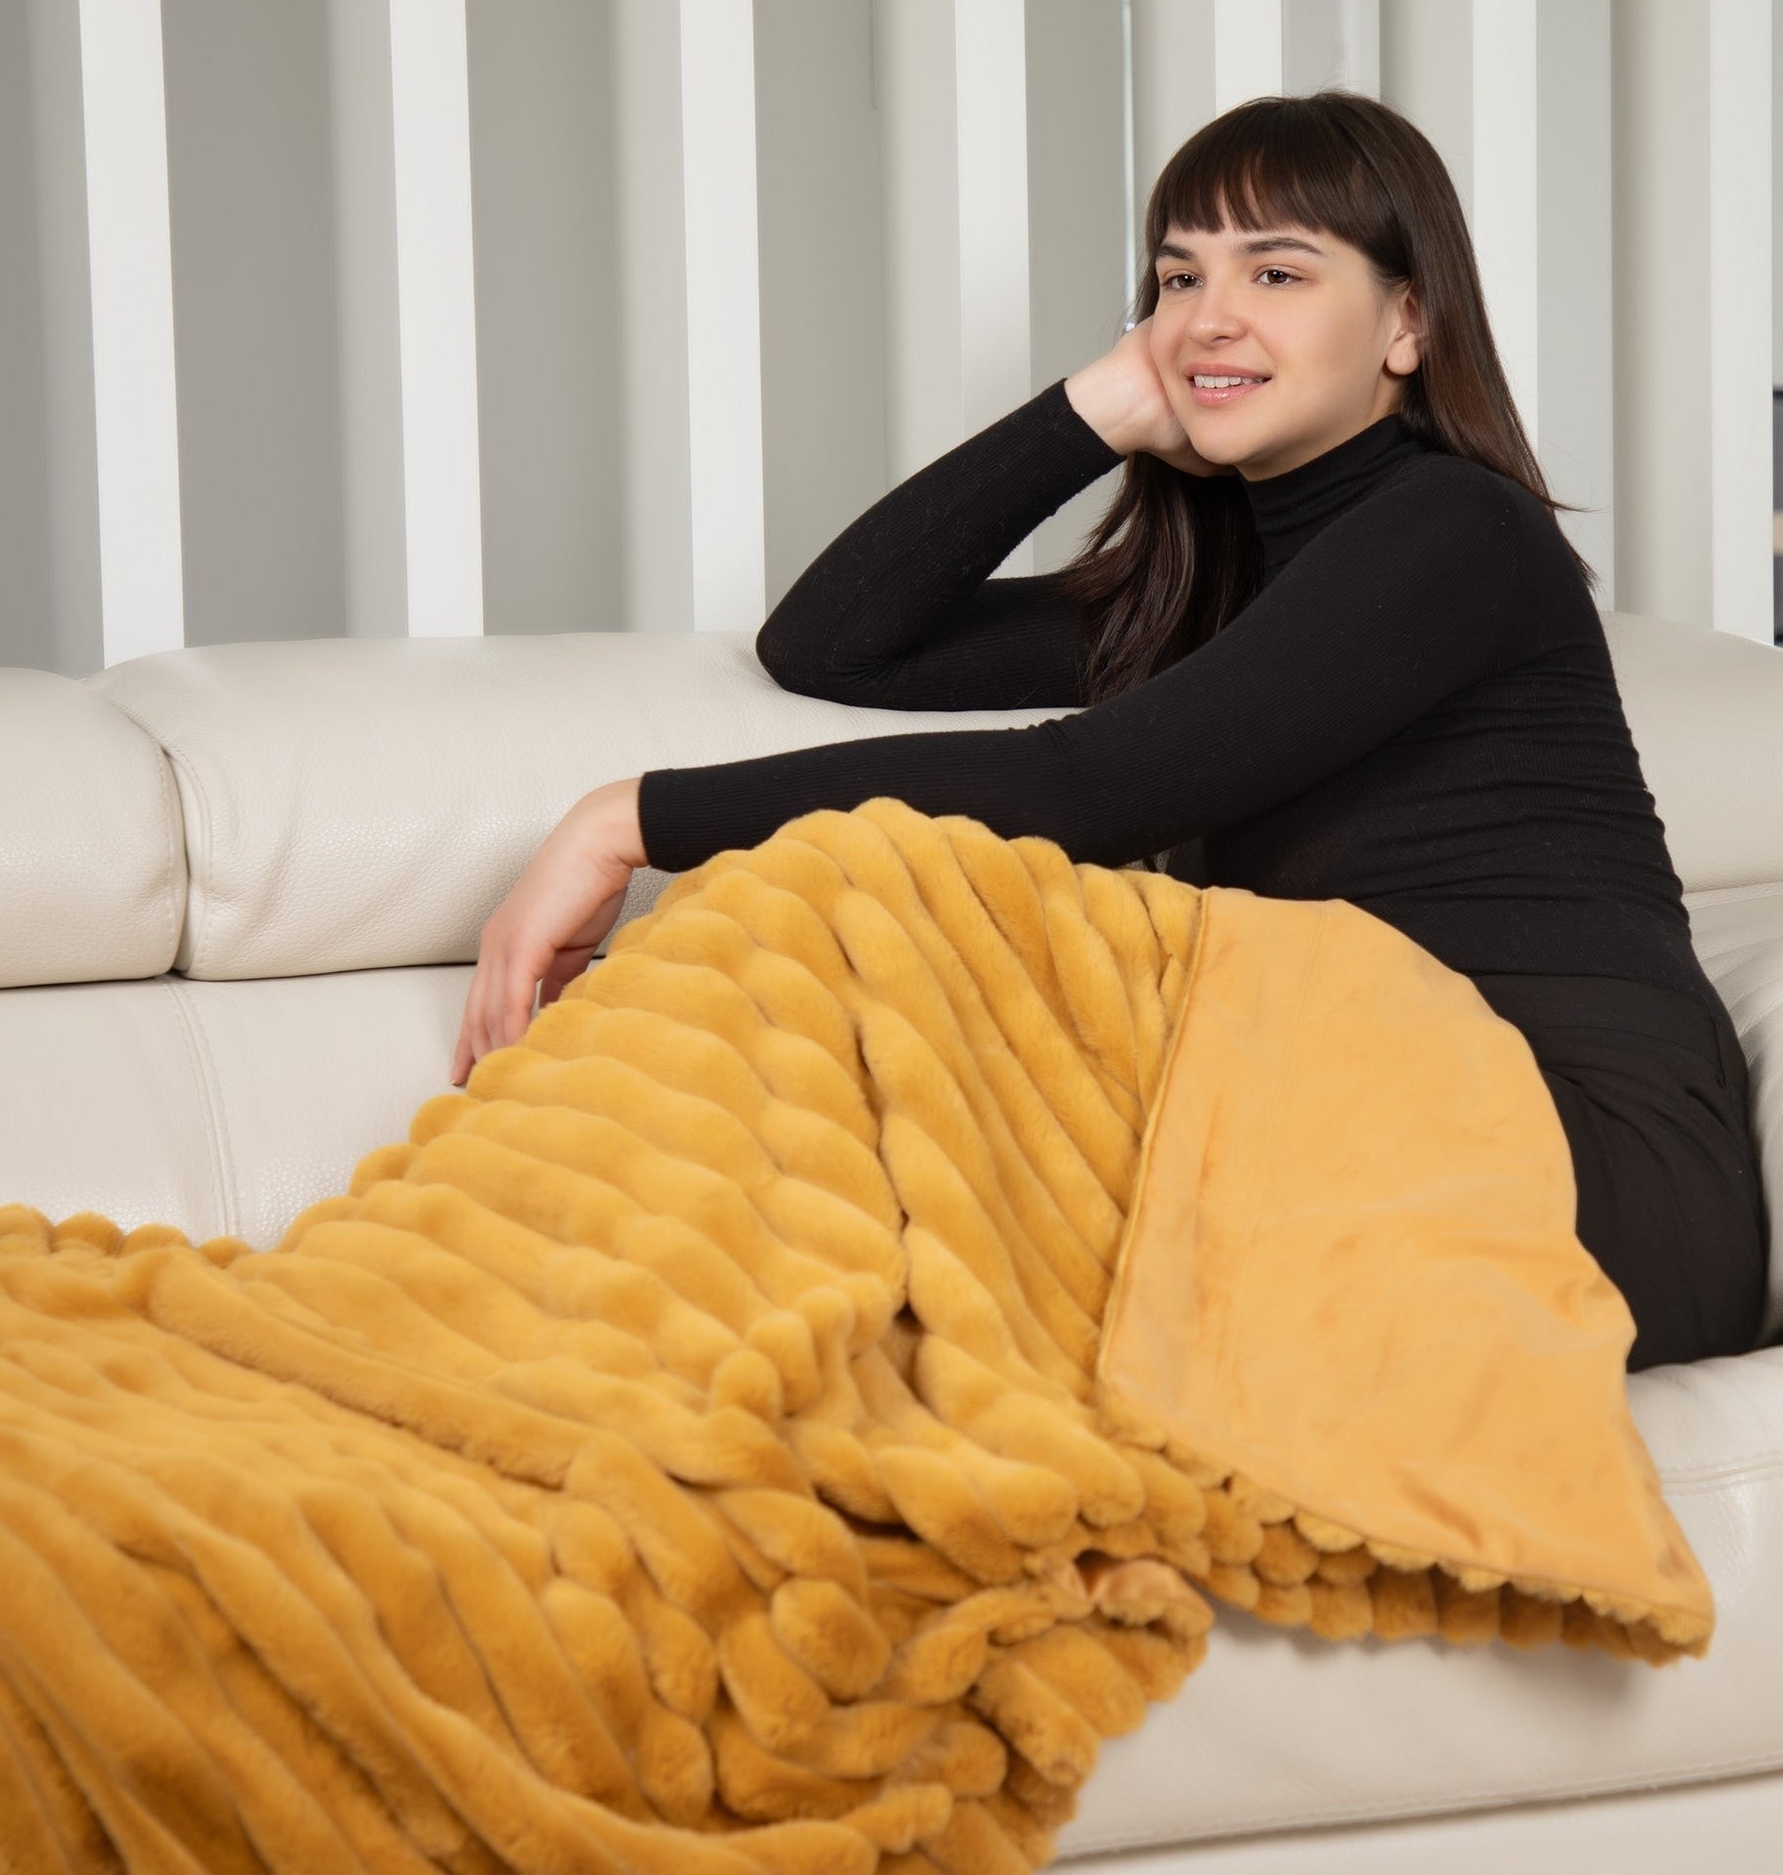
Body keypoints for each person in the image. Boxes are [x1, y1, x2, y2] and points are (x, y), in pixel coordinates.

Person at [448, 89, 1769, 1373]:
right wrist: (1093, 411)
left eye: (1277, 274)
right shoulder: (1204, 603)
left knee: (952, 999)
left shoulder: (1457, 534)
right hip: (1344, 1118)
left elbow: (1089, 785)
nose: (1207, 316)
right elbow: (831, 642)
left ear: (1407, 324)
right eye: (1174, 278)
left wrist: (628, 816)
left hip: (1585, 1164)